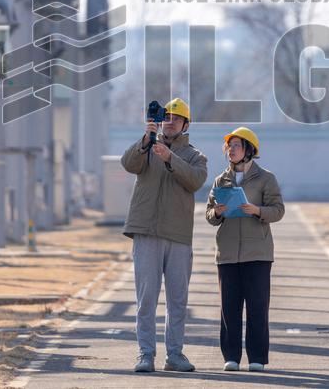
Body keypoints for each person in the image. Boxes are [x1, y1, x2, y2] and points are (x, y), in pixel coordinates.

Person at [120, 98, 208, 373]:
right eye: (166, 118)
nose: (170, 123)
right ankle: (145, 354)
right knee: (146, 299)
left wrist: (170, 158)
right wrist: (145, 139)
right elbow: (127, 163)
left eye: (176, 119)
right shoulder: (147, 147)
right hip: (146, 231)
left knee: (177, 300)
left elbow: (195, 180)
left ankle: (175, 355)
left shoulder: (195, 156)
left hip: (178, 234)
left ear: (185, 125)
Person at [204, 126, 285, 372]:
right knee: (229, 308)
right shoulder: (220, 180)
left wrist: (257, 210)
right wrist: (217, 212)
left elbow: (278, 210)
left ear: (249, 149)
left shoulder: (266, 178)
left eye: (236, 145)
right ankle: (231, 357)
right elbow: (209, 215)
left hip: (258, 253)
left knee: (257, 308)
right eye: (229, 146)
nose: (231, 150)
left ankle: (257, 358)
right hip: (227, 253)